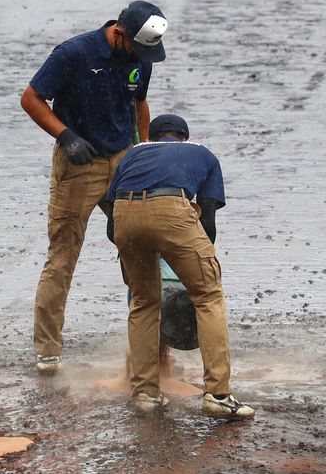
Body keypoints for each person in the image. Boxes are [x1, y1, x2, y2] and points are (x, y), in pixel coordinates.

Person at [21, 0, 169, 375]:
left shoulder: (142, 56)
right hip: (78, 164)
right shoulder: (74, 53)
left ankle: (151, 346)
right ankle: (48, 352)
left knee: (141, 246)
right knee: (63, 254)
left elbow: (140, 104)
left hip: (122, 161)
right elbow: (31, 98)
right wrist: (65, 135)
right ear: (119, 33)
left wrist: (143, 151)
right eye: (137, 49)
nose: (141, 57)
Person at [104, 114, 254, 419]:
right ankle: (218, 395)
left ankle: (146, 394)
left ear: (151, 137)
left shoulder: (133, 154)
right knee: (208, 296)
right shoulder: (202, 154)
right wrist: (190, 268)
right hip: (171, 209)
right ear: (186, 137)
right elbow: (207, 222)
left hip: (123, 214)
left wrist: (147, 252)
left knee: (144, 302)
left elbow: (111, 227)